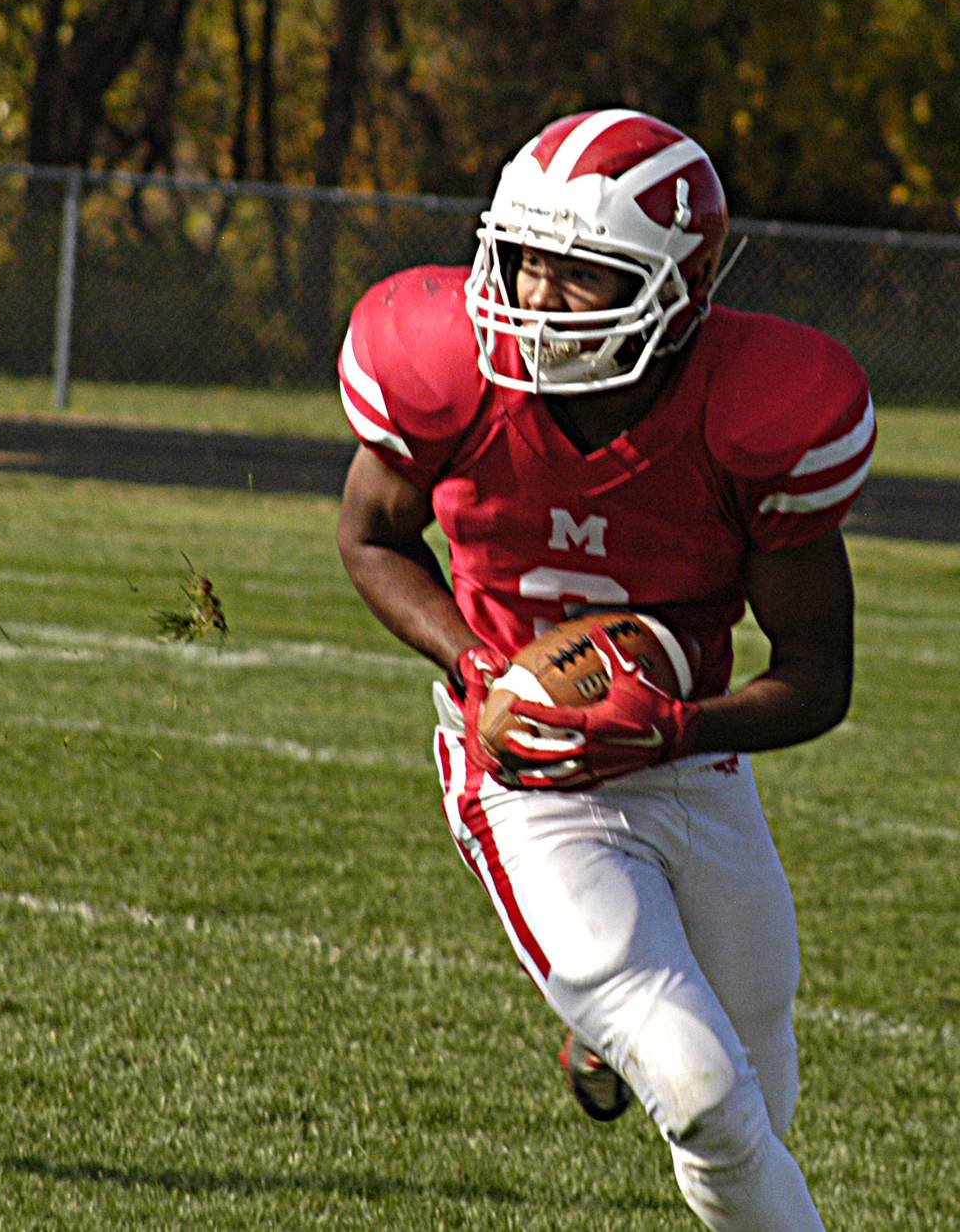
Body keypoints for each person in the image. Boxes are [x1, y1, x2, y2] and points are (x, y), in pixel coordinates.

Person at [336, 108, 873, 1230]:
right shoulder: (451, 371)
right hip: (521, 774)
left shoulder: (756, 407)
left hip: (693, 759)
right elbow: (374, 536)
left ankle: (603, 1027)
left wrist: (672, 728)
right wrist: (480, 666)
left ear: (685, 281)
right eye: (523, 256)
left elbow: (818, 676)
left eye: (578, 271)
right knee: (706, 1092)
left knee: (762, 1074)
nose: (532, 294)